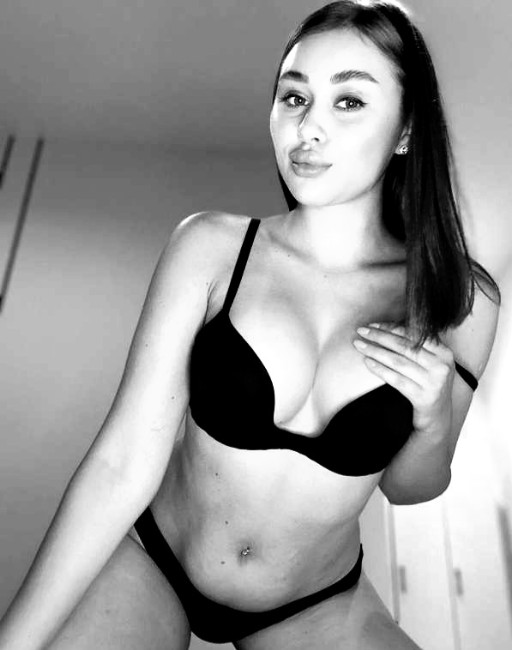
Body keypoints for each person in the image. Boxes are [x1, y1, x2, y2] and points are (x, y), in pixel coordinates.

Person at [0, 1, 501, 649]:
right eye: (294, 97)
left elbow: (412, 487)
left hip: (316, 603)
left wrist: (432, 417)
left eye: (348, 101)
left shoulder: (461, 299)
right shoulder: (211, 248)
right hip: (154, 562)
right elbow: (122, 462)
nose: (308, 127)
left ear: (406, 129)